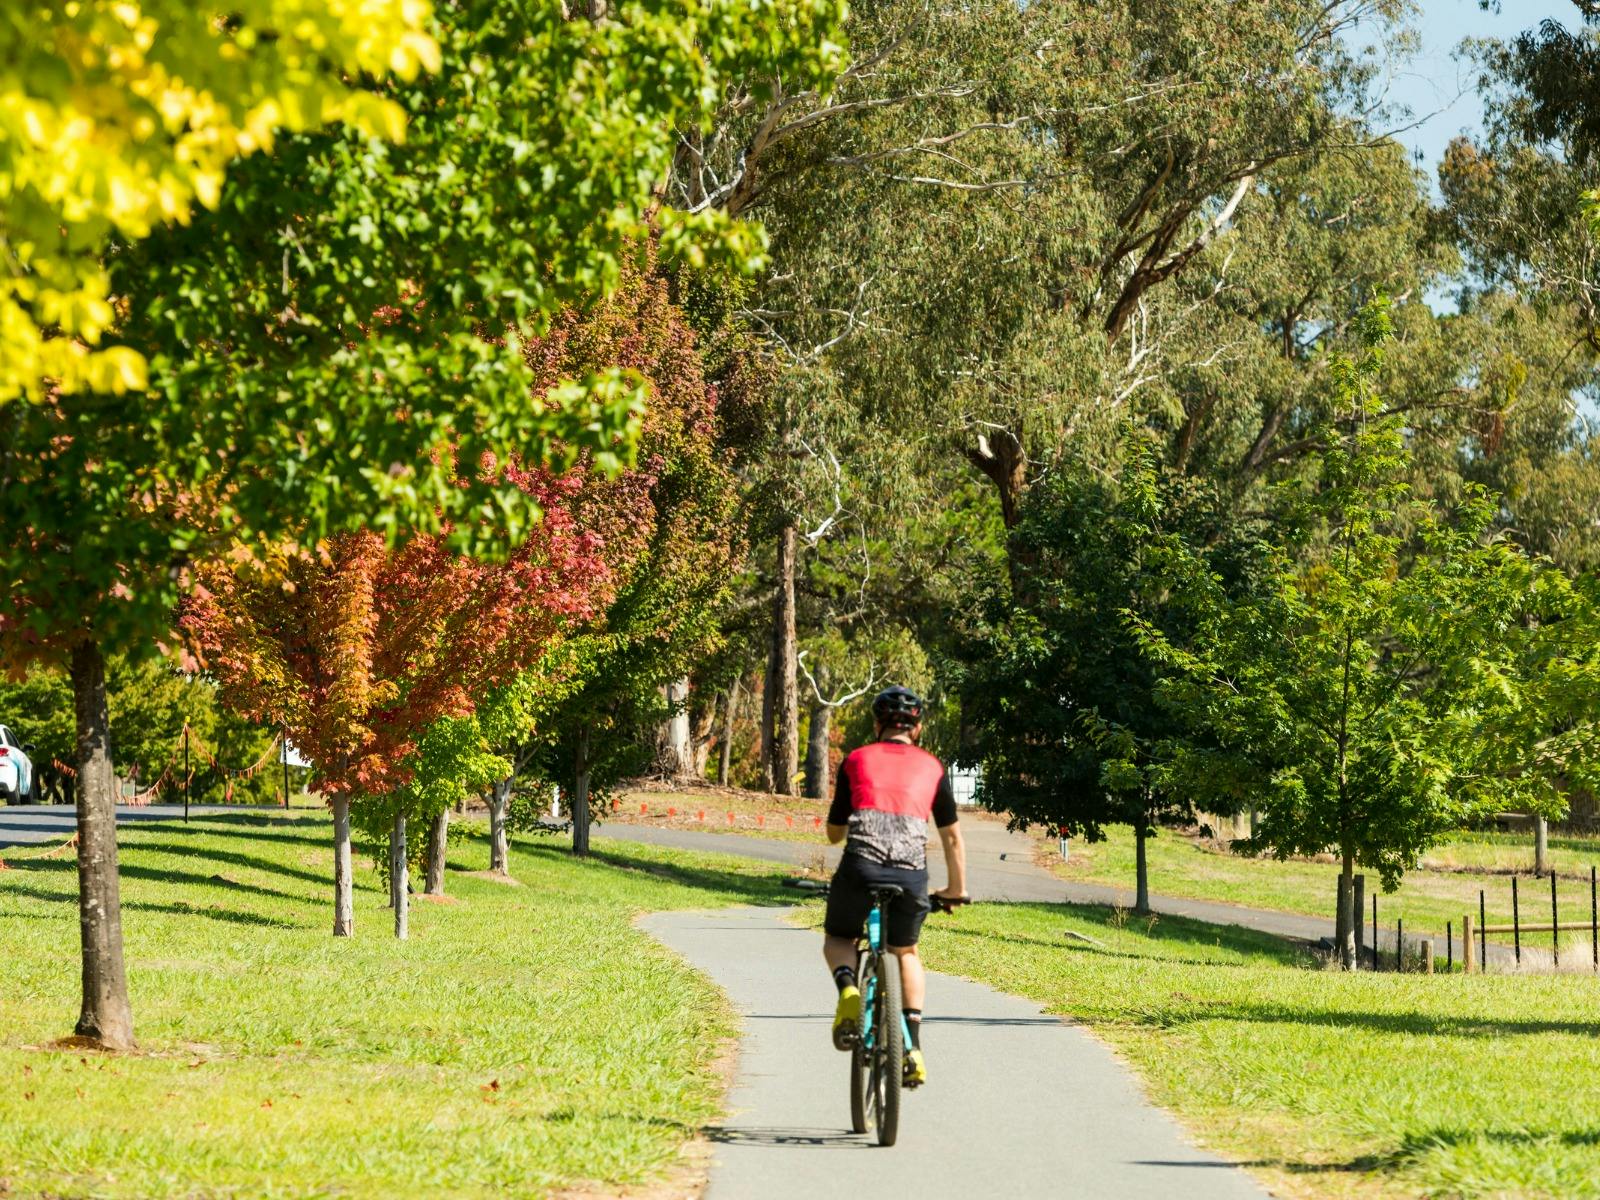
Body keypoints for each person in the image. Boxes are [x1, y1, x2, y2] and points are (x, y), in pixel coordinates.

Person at [822, 685, 968, 1087]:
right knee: (906, 952)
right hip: (910, 875)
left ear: (877, 725)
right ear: (916, 728)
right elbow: (953, 838)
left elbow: (835, 832)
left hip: (860, 869)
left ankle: (848, 989)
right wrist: (955, 890)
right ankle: (913, 1047)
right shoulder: (932, 768)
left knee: (839, 938)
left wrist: (843, 828)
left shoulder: (856, 760)